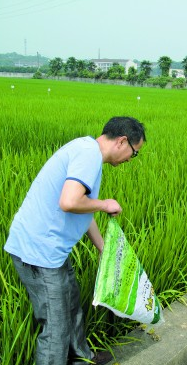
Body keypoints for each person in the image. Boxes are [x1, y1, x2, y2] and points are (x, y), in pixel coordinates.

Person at [4, 116, 146, 365]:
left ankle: (82, 359)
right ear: (122, 142)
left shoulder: (87, 150)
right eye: (134, 153)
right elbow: (69, 202)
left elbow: (82, 207)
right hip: (39, 253)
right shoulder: (88, 156)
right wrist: (105, 204)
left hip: (52, 250)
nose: (130, 160)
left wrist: (102, 247)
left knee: (71, 303)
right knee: (55, 326)